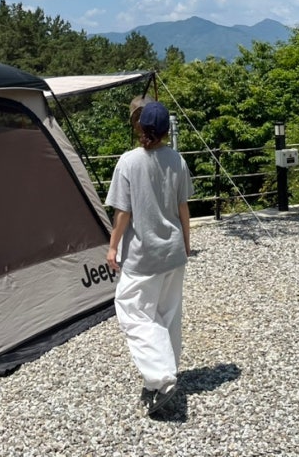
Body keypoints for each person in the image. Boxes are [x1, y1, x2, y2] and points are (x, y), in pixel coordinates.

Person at [105, 98, 194, 417]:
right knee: (167, 314)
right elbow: (183, 207)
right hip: (173, 252)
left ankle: (162, 378)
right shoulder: (177, 160)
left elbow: (123, 213)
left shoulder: (128, 162)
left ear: (140, 127)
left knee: (134, 312)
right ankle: (158, 378)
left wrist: (112, 246)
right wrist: (186, 242)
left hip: (143, 256)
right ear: (167, 130)